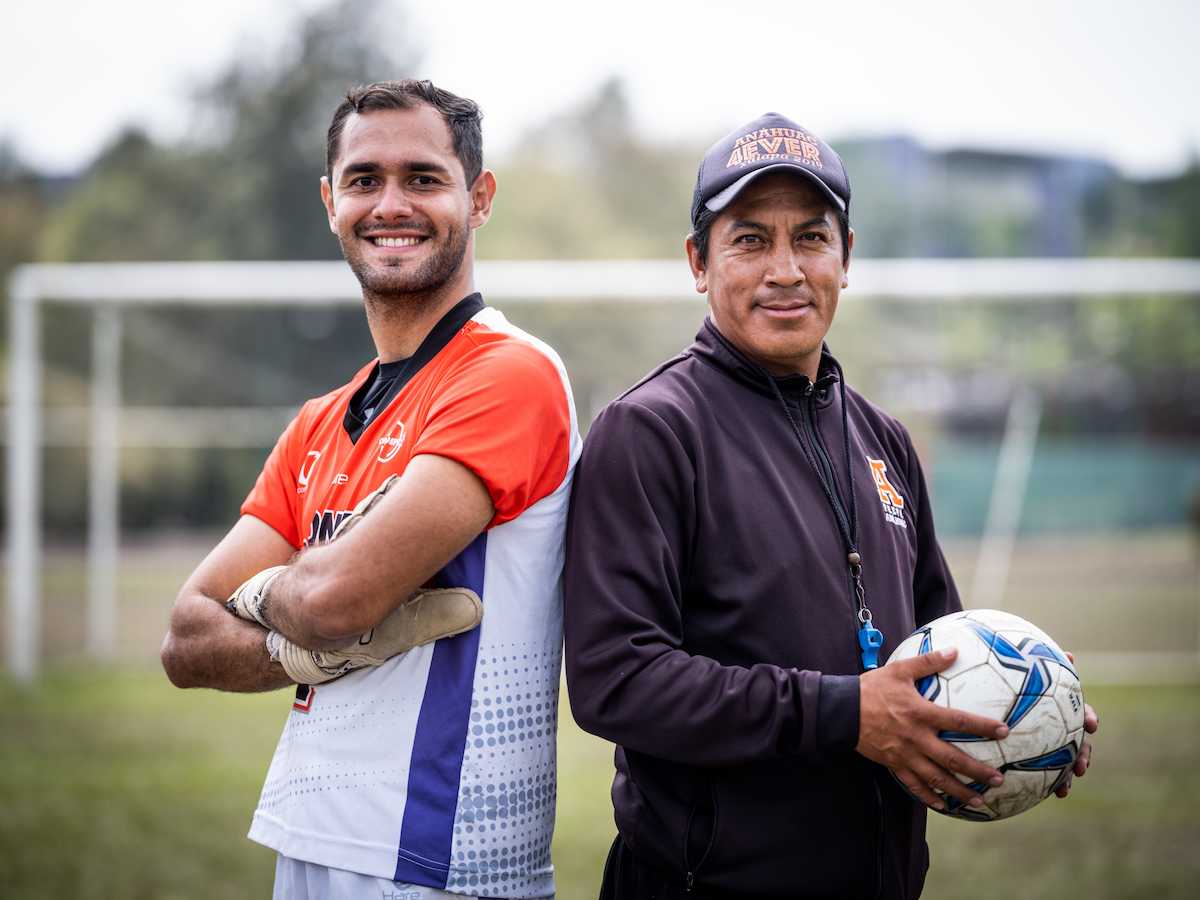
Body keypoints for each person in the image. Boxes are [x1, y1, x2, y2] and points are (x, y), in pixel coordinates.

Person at [562, 112, 1097, 899]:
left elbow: (932, 650)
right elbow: (617, 680)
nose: (785, 268)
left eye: (811, 238)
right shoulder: (648, 432)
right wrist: (844, 713)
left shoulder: (884, 438)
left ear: (846, 259)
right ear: (697, 263)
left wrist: (1025, 712)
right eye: (749, 239)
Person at [161, 80, 579, 900]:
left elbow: (336, 597)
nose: (391, 203)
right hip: (307, 829)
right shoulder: (320, 420)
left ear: (479, 197)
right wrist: (307, 643)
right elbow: (183, 639)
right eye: (364, 180)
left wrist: (294, 604)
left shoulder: (510, 373)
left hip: (447, 852)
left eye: (423, 178)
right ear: (330, 202)